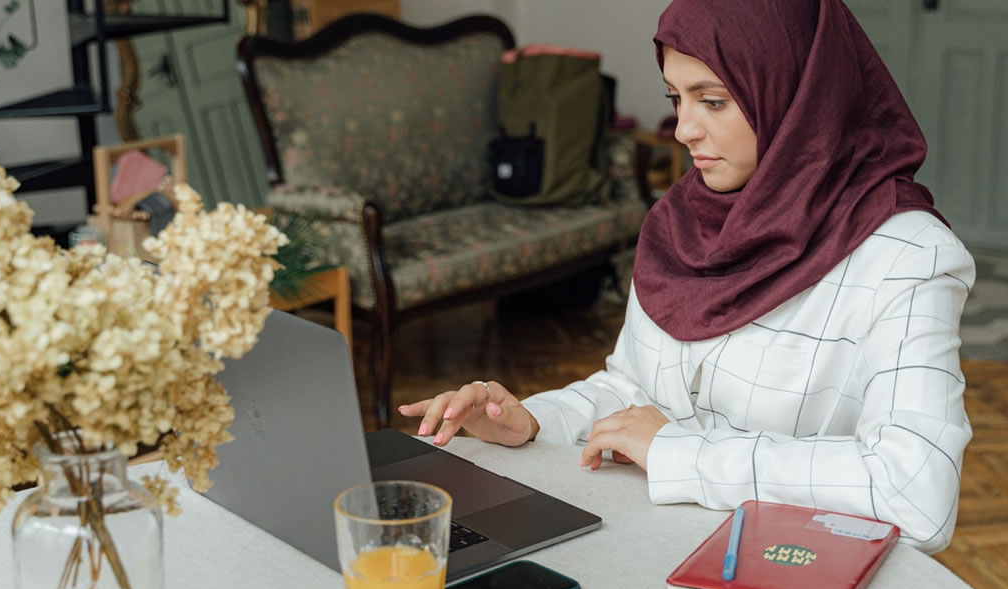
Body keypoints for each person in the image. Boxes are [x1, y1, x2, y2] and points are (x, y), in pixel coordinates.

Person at [400, 0, 974, 555]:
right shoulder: (682, 223)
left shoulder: (907, 254)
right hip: (648, 547)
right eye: (677, 98)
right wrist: (530, 422)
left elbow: (915, 491)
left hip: (786, 573)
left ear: (799, 96)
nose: (683, 130)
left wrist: (681, 454)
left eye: (715, 101)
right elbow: (634, 392)